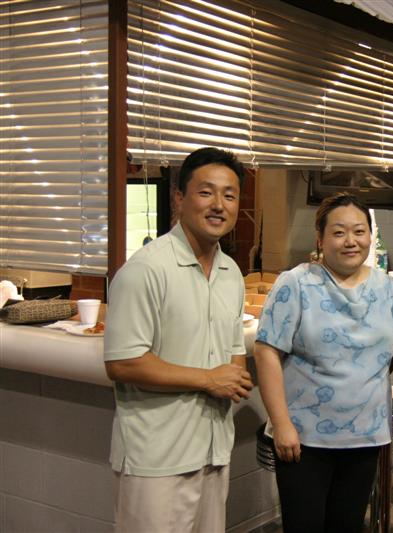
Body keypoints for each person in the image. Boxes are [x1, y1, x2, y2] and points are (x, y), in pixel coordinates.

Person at [104, 147, 253, 532]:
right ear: (179, 198)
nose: (219, 205)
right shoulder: (145, 270)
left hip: (214, 450)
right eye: (206, 192)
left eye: (230, 195)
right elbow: (123, 363)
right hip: (157, 457)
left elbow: (234, 356)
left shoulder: (231, 274)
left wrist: (231, 376)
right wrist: (208, 379)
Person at [253, 192, 393, 533]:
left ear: (370, 236)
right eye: (339, 232)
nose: (350, 241)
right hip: (304, 438)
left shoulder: (385, 287)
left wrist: (361, 384)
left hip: (366, 437)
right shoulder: (296, 283)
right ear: (320, 238)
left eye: (359, 231)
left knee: (348, 525)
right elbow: (266, 353)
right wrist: (281, 423)